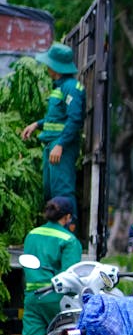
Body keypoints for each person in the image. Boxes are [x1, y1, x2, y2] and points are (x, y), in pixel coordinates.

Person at [4, 198, 82, 335]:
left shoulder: (32, 235)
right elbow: (69, 276)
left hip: (32, 296)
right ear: (67, 217)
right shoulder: (69, 240)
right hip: (56, 298)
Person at [21, 43, 85, 217]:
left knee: (63, 192)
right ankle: (56, 236)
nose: (47, 67)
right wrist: (37, 124)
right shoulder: (59, 87)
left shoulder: (72, 87)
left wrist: (61, 145)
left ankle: (68, 235)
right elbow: (57, 118)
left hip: (61, 145)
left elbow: (75, 119)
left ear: (56, 67)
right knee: (51, 192)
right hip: (52, 144)